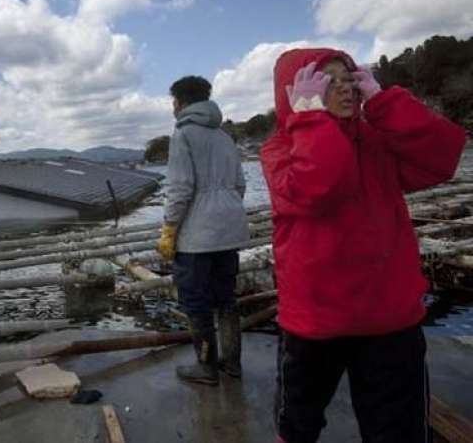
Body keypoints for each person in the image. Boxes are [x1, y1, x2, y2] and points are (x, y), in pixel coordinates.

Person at [261, 48, 466, 442]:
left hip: (389, 317)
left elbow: (442, 158)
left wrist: (386, 103)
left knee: (398, 430)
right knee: (297, 423)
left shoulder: (377, 141)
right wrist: (309, 118)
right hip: (314, 320)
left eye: (349, 79)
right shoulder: (279, 151)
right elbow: (321, 187)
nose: (344, 89)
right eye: (327, 81)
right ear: (294, 92)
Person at [157, 75, 250, 385]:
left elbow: (180, 188)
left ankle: (206, 367)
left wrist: (170, 228)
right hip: (230, 230)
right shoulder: (225, 137)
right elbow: (240, 184)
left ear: (181, 103)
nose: (173, 107)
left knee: (196, 302)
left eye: (174, 101)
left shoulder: (182, 135)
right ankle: (232, 364)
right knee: (226, 300)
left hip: (198, 239)